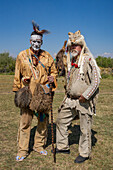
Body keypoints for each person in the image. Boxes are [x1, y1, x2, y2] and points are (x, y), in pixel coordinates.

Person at [13, 21, 57, 161]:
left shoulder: (47, 56)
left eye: (39, 41)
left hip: (42, 95)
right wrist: (20, 87)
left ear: (42, 42)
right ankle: (23, 150)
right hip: (27, 94)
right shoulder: (22, 56)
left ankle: (39, 146)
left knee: (42, 121)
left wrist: (52, 78)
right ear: (30, 41)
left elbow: (54, 72)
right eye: (34, 41)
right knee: (25, 122)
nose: (36, 44)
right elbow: (16, 75)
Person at [55, 30, 101, 163]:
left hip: (83, 101)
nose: (73, 48)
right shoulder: (71, 61)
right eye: (72, 46)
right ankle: (63, 146)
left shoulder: (88, 60)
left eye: (76, 45)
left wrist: (86, 95)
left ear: (81, 46)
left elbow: (96, 80)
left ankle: (85, 153)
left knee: (84, 128)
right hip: (70, 100)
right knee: (61, 121)